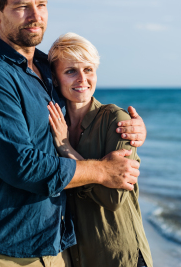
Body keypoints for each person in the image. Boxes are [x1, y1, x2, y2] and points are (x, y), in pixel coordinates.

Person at [0, 0, 148, 267]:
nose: (36, 16)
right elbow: (22, 166)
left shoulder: (46, 69)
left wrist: (127, 127)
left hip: (52, 245)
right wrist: (102, 171)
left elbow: (83, 105)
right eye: (21, 6)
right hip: (2, 248)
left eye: (41, 4)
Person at [47, 33, 153, 267]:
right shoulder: (53, 123)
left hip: (119, 256)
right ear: (55, 78)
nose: (82, 79)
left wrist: (67, 149)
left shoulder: (117, 120)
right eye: (70, 71)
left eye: (89, 69)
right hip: (78, 256)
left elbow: (113, 197)